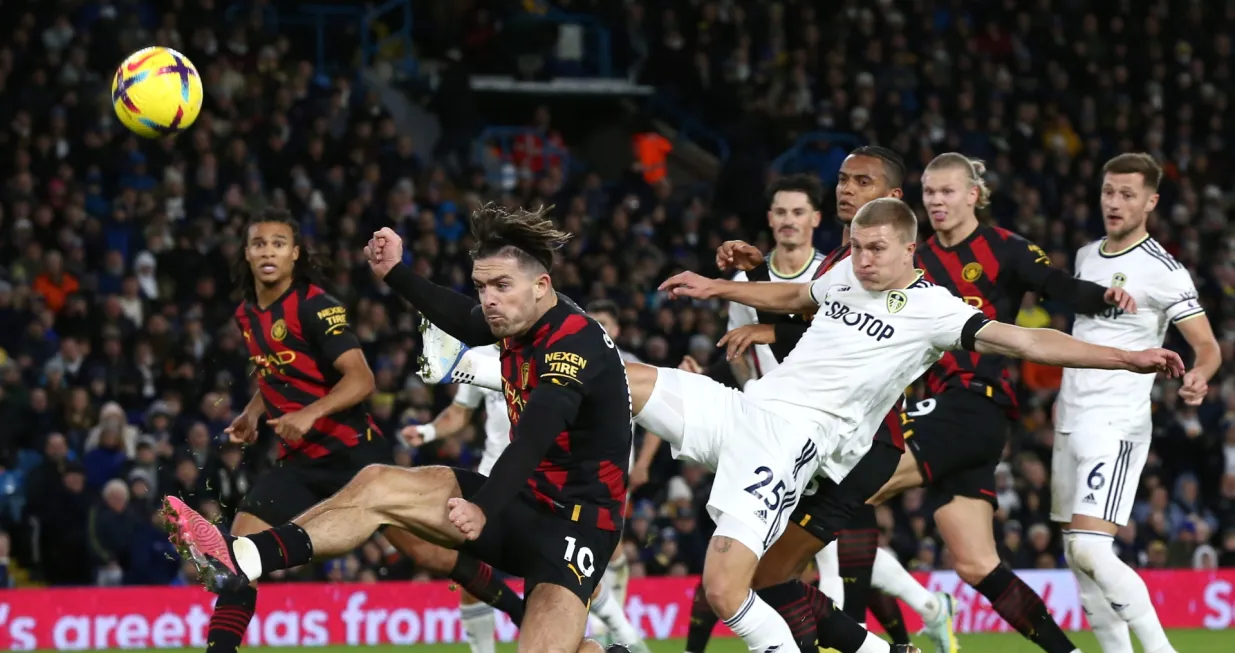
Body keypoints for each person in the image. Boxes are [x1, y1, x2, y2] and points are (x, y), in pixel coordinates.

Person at [640, 197, 1181, 653]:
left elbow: (1030, 340)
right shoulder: (845, 275)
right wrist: (719, 287)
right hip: (751, 410)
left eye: (877, 249)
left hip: (804, 443)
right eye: (856, 247)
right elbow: (798, 296)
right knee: (621, 378)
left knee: (735, 584)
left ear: (909, 249)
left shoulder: (935, 310)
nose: (864, 260)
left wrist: (1125, 357)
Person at [166, 208, 635, 653]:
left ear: (542, 285)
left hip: (576, 529)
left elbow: (534, 440)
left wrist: (482, 508)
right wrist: (394, 271)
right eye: (481, 286)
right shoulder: (517, 317)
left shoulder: (573, 345)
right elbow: (461, 318)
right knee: (378, 482)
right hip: (522, 504)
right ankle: (243, 556)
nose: (488, 299)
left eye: (501, 286)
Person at [687, 151, 951, 653]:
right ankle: (894, 640)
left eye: (861, 181)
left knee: (797, 571)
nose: (846, 189)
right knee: (767, 574)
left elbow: (847, 341)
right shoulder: (842, 264)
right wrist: (757, 273)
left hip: (852, 443)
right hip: (793, 433)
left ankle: (914, 620)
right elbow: (810, 322)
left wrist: (765, 322)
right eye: (843, 179)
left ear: (896, 204)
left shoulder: (900, 271)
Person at [1051, 153, 1220, 653]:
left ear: (1151, 202)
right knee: (1075, 557)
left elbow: (1207, 346)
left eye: (1127, 194)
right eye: (1109, 192)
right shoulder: (1086, 257)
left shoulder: (1164, 271)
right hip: (1070, 417)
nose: (1115, 203)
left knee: (1090, 547)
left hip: (1116, 422)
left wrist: (1199, 376)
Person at [413, 308, 650, 653]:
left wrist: (467, 369)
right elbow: (460, 413)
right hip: (495, 474)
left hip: (565, 481)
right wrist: (428, 430)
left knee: (578, 571)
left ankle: (622, 633)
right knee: (473, 571)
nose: (496, 309)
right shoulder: (492, 352)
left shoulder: (572, 354)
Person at [725, 174, 826, 389]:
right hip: (764, 409)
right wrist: (750, 390)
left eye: (798, 213)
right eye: (781, 213)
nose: (788, 221)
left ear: (816, 218)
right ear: (770, 218)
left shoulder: (831, 275)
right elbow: (735, 351)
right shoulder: (745, 280)